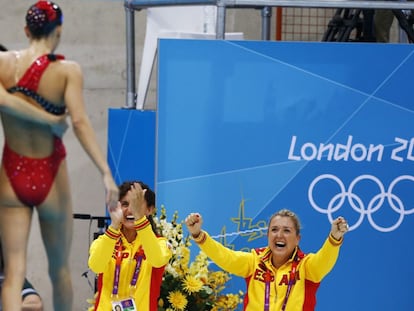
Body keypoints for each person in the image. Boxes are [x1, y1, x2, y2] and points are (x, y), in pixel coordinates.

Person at [0, 1, 119, 310]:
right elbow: (79, 122)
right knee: (60, 271)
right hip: (50, 173)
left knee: (13, 273)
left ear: (26, 30)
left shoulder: (2, 64)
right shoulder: (68, 71)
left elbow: (5, 101)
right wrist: (105, 172)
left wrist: (37, 115)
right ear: (59, 31)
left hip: (11, 173)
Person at [185, 209, 349, 311]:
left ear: (297, 238)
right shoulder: (254, 261)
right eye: (274, 230)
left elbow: (324, 260)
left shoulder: (306, 266)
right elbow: (225, 257)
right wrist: (198, 235)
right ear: (267, 235)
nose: (279, 235)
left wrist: (334, 237)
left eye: (287, 230)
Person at [88, 181, 172, 311]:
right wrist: (114, 226)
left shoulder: (160, 244)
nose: (131, 209)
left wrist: (140, 219)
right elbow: (96, 265)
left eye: (137, 204)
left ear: (150, 209)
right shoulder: (104, 241)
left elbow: (157, 260)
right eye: (125, 204)